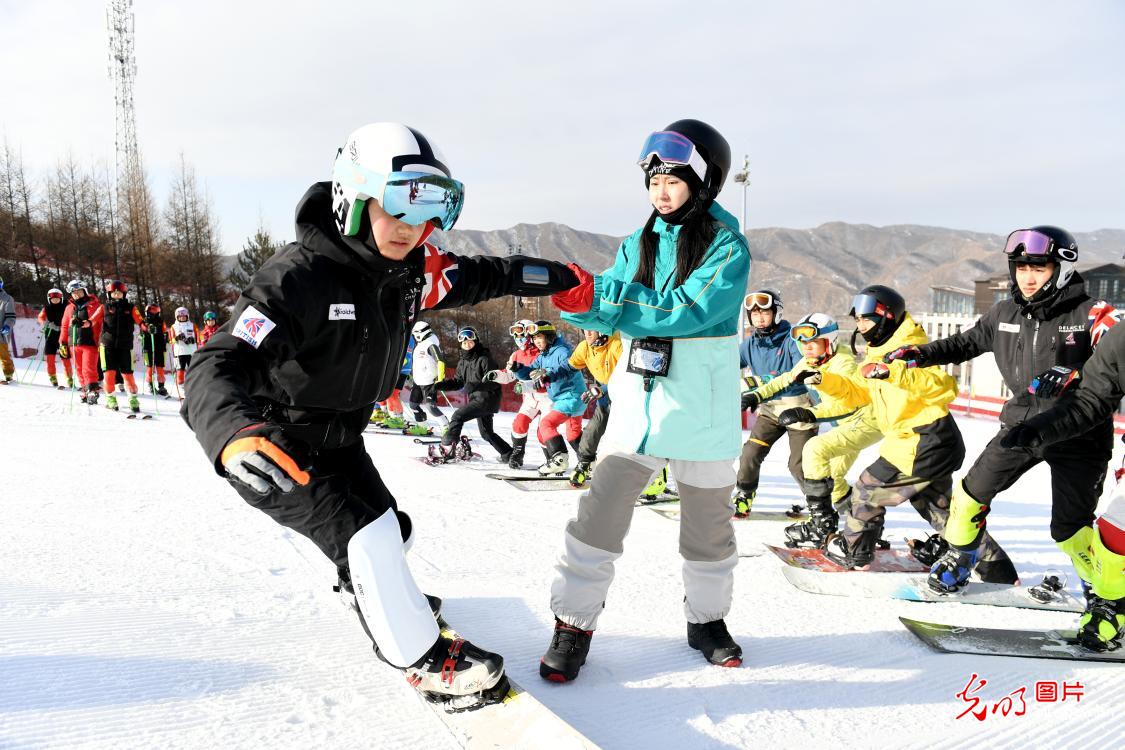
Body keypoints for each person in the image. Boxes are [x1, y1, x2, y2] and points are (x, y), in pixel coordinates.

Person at [181, 122, 581, 705]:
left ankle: (369, 587)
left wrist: (565, 279)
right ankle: (425, 661)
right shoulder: (299, 279)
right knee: (366, 539)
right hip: (274, 446)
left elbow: (489, 275)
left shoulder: (412, 273)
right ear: (354, 199)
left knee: (391, 533)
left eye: (427, 212)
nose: (410, 228)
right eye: (396, 207)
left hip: (341, 440)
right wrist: (233, 435)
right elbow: (218, 360)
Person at [543, 119, 751, 679]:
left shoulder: (728, 248)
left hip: (701, 410)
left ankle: (706, 621)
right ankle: (573, 624)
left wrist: (610, 300)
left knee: (708, 528)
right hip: (637, 405)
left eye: (674, 178)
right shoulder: (637, 243)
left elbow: (687, 310)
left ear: (703, 183)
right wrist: (573, 293)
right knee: (600, 514)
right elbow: (607, 298)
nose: (660, 189)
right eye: (653, 178)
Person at [882, 227, 1120, 599]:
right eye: (1021, 267)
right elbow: (967, 342)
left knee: (1071, 529)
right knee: (968, 496)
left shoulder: (1093, 314)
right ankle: (962, 557)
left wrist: (1080, 370)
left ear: (1063, 269)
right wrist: (921, 354)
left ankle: (1102, 591)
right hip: (1022, 426)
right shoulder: (1005, 311)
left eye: (1039, 269)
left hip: (1078, 434)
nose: (1027, 277)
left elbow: (1114, 351)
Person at [805, 286, 1016, 583]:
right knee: (938, 511)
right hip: (922, 442)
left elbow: (942, 386)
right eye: (858, 321)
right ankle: (997, 569)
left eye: (866, 320)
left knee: (867, 491)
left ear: (887, 317)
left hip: (923, 440)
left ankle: (856, 555)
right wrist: (823, 380)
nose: (861, 327)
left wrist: (895, 371)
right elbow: (858, 392)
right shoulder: (877, 352)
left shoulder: (911, 349)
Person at [1003, 321, 1125, 651]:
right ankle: (1114, 605)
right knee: (1115, 530)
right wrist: (1040, 428)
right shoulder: (1122, 339)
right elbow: (1090, 400)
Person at [745, 313, 883, 547]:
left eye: (812, 342)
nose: (805, 348)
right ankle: (862, 528)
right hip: (844, 422)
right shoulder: (812, 360)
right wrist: (756, 394)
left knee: (823, 462)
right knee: (832, 477)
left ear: (829, 341)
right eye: (802, 343)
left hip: (862, 420)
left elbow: (849, 404)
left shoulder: (843, 364)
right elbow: (786, 379)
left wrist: (811, 413)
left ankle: (839, 528)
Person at [735, 290, 818, 517]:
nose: (759, 318)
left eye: (764, 312)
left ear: (776, 313)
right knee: (750, 453)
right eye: (754, 314)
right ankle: (744, 495)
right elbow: (729, 364)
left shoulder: (791, 338)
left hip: (799, 408)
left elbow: (801, 370)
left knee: (800, 464)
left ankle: (818, 505)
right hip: (770, 410)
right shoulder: (750, 344)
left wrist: (762, 381)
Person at [506, 321, 587, 475]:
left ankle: (559, 459)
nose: (536, 341)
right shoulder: (543, 355)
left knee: (546, 424)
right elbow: (530, 371)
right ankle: (588, 462)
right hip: (567, 398)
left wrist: (547, 373)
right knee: (573, 434)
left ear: (549, 337)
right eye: (534, 339)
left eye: (539, 337)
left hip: (571, 396)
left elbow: (566, 369)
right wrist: (518, 369)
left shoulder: (562, 351)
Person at [429, 326, 511, 462]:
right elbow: (458, 382)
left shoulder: (485, 359)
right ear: (461, 344)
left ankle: (448, 448)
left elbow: (495, 382)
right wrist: (439, 386)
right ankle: (508, 453)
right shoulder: (463, 362)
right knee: (486, 433)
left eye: (470, 341)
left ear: (476, 341)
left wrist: (474, 385)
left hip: (487, 398)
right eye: (464, 342)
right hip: (477, 399)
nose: (467, 344)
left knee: (458, 416)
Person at [492, 318, 552, 469]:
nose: (518, 337)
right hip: (530, 399)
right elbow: (509, 375)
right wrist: (495, 375)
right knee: (519, 424)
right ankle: (518, 455)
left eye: (521, 332)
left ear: (529, 332)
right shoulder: (516, 355)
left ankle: (552, 459)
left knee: (543, 431)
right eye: (515, 333)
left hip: (548, 397)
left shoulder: (542, 351)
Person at [567, 328, 623, 486]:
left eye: (592, 330)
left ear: (603, 331)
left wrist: (602, 389)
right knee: (592, 430)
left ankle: (654, 476)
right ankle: (585, 463)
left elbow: (628, 376)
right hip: (605, 400)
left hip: (626, 399)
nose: (587, 333)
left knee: (626, 439)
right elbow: (568, 368)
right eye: (585, 330)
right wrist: (548, 374)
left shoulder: (617, 344)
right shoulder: (584, 346)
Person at [98, 280, 143, 414]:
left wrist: (147, 327)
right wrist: (82, 322)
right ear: (109, 294)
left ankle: (133, 399)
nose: (117, 295)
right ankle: (111, 398)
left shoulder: (131, 308)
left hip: (125, 345)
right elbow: (92, 320)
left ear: (124, 294)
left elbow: (140, 321)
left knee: (128, 374)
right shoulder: (104, 307)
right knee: (109, 374)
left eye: (119, 293)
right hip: (107, 345)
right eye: (114, 293)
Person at [59, 280, 103, 404]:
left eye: (78, 291)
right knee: (78, 368)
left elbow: (98, 322)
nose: (76, 294)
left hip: (90, 342)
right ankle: (85, 390)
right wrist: (62, 342)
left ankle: (93, 390)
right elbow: (64, 326)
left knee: (88, 368)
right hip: (73, 343)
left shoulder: (95, 306)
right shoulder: (69, 308)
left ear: (84, 291)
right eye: (73, 293)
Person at [407, 320, 449, 435]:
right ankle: (422, 426)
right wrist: (411, 376)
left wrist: (440, 379)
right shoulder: (420, 344)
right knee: (413, 405)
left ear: (419, 333)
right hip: (418, 381)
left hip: (429, 382)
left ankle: (446, 427)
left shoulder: (431, 344)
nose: (414, 337)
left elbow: (440, 361)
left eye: (415, 334)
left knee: (431, 407)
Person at [38, 287, 74, 389]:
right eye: (53, 299)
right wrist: (46, 323)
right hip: (50, 336)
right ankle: (52, 377)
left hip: (63, 337)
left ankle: (69, 378)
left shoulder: (67, 306)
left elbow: (72, 315)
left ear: (61, 298)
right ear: (49, 299)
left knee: (65, 358)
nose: (55, 300)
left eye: (57, 298)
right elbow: (40, 317)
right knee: (50, 358)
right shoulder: (47, 308)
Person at [140, 303, 171, 397]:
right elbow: (142, 331)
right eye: (151, 311)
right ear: (147, 312)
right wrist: (147, 331)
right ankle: (150, 385)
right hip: (148, 347)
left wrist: (166, 338)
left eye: (155, 311)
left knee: (160, 368)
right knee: (150, 367)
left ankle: (161, 386)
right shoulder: (144, 321)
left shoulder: (160, 321)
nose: (153, 313)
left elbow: (165, 331)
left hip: (160, 347)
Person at [169, 307, 199, 397]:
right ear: (177, 317)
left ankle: (194, 387)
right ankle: (182, 388)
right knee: (180, 370)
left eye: (184, 316)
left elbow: (199, 337)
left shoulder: (192, 325)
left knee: (193, 369)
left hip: (191, 352)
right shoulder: (174, 327)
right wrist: (177, 338)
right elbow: (170, 341)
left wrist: (193, 340)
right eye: (180, 317)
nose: (182, 318)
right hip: (179, 352)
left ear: (187, 316)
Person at [0, 275, 15, 383]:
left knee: (4, 355)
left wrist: (7, 326)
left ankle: (8, 374)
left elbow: (11, 316)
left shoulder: (7, 298)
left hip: (1, 333)